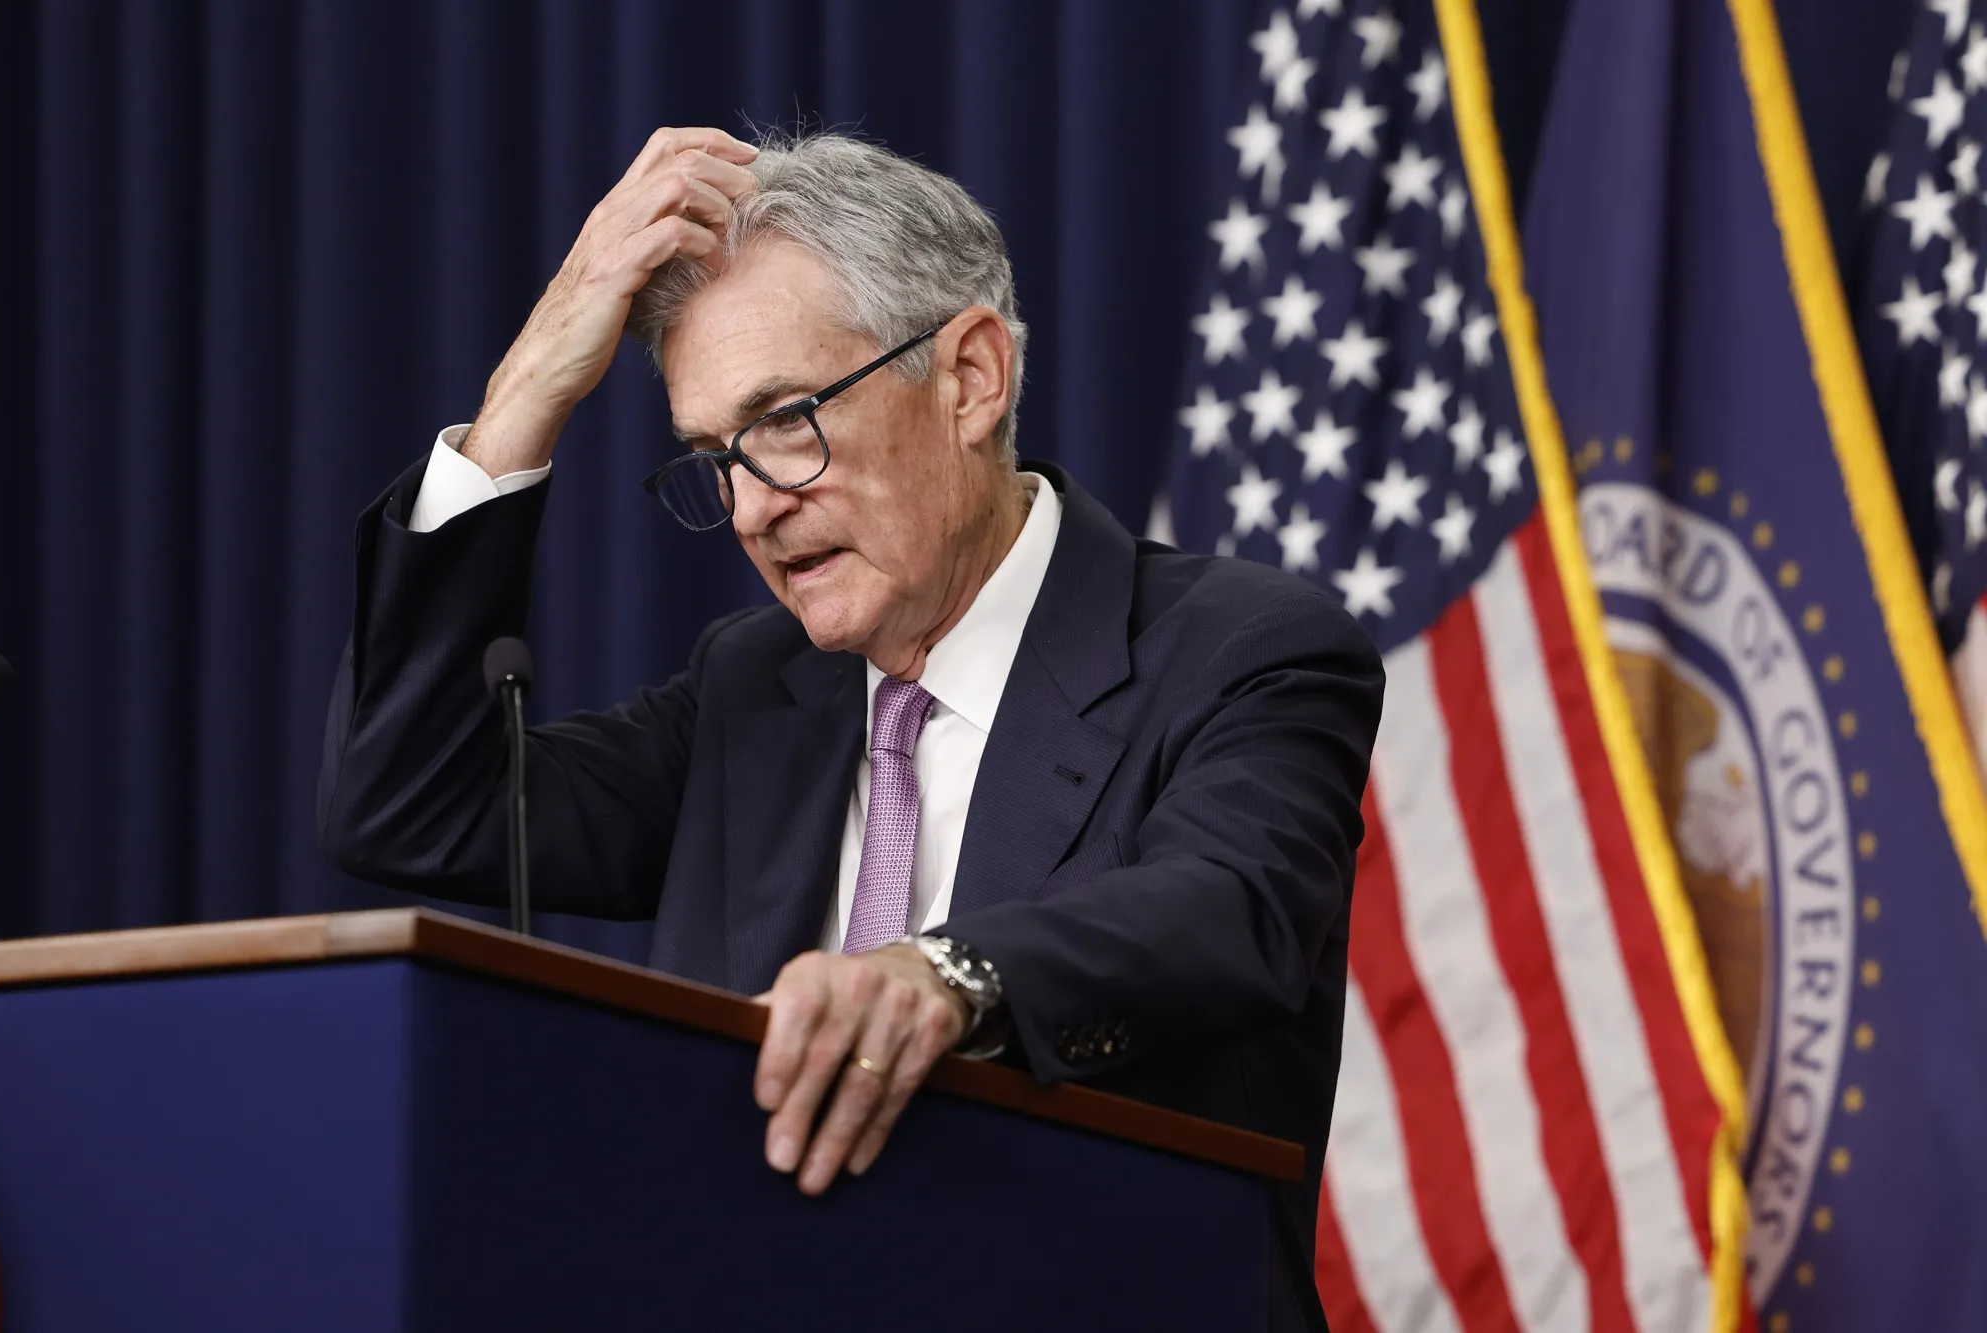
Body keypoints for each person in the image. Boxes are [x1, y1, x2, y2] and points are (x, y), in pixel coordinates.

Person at [317, 127, 1383, 1331]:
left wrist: (943, 977)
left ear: (969, 377)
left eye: (785, 420)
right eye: (713, 458)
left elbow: (1225, 907)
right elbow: (407, 805)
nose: (753, 509)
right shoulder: (754, 690)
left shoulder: (1239, 649)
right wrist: (529, 392)